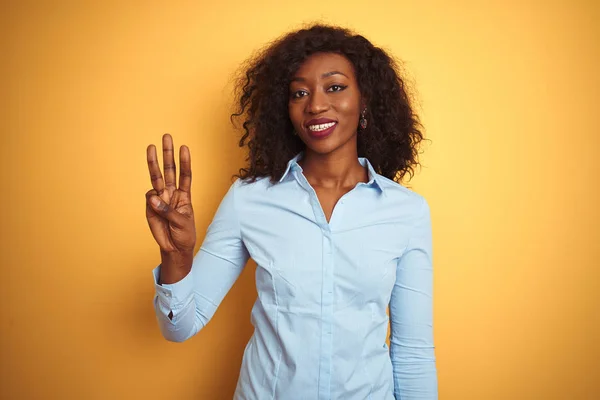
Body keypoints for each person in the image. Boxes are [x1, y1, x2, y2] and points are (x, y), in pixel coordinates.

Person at [145, 24, 438, 400]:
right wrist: (176, 256)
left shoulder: (406, 212)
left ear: (366, 101)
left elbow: (412, 353)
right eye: (300, 92)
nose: (315, 104)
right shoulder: (249, 199)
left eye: (335, 87)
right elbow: (180, 326)